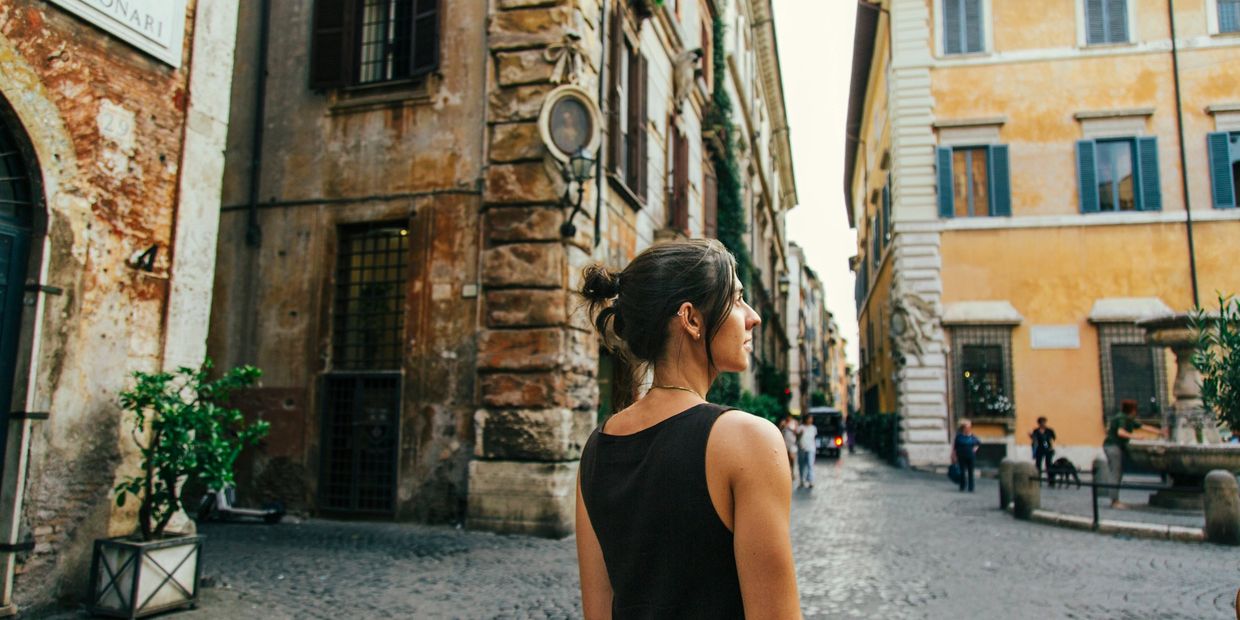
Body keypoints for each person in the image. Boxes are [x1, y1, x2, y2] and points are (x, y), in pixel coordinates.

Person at [574, 239, 800, 618]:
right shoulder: (749, 441)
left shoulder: (596, 449)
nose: (753, 317)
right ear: (692, 319)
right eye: (738, 299)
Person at [1103, 399, 1164, 509]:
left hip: (1116, 447)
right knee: (1115, 472)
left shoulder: (1128, 419)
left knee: (1118, 472)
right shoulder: (1122, 418)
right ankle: (1114, 501)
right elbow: (1120, 432)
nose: (1137, 412)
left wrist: (1160, 432)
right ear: (1132, 410)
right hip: (1112, 446)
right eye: (1136, 409)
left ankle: (1115, 500)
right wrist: (1136, 437)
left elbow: (1143, 427)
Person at [951, 420, 981, 492]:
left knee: (971, 472)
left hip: (970, 456)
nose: (968, 429)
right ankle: (962, 486)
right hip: (961, 456)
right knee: (962, 472)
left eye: (969, 427)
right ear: (963, 428)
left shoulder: (973, 437)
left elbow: (978, 443)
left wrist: (975, 449)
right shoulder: (959, 437)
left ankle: (971, 487)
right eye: (967, 427)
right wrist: (953, 456)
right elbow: (955, 447)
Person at [797, 414, 817, 489]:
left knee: (810, 464)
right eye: (809, 418)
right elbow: (797, 438)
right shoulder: (801, 428)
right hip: (802, 449)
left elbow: (813, 438)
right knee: (802, 465)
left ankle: (810, 480)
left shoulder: (813, 428)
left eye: (811, 419)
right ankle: (802, 480)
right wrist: (800, 434)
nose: (811, 420)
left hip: (811, 448)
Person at [780, 415, 799, 482]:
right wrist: (782, 426)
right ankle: (788, 473)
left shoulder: (794, 422)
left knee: (792, 458)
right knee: (786, 460)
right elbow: (780, 430)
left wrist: (789, 427)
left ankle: (792, 472)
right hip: (785, 444)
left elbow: (796, 432)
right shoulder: (783, 422)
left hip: (792, 443)